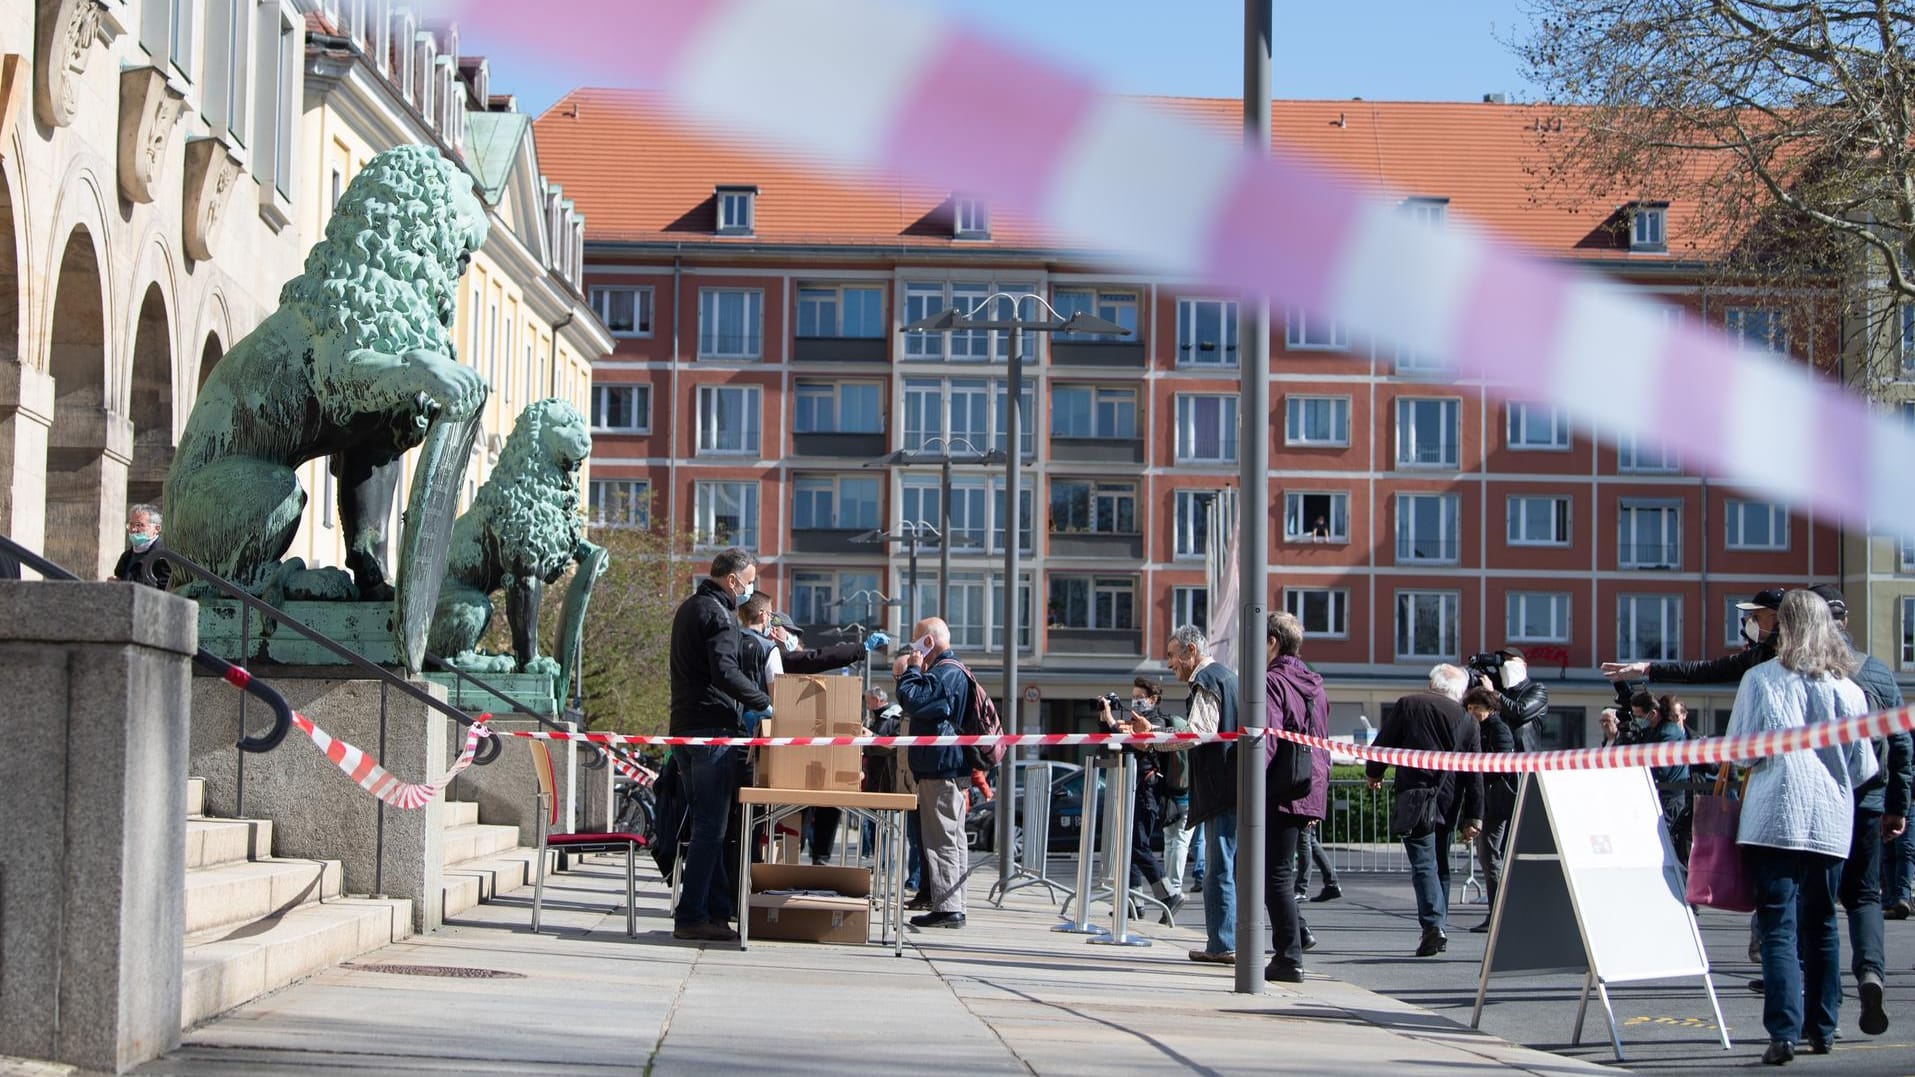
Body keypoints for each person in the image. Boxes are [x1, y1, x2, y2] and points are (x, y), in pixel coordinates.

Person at [1728, 589, 1880, 1065]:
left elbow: (1743, 752)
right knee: (1823, 925)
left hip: (1773, 817)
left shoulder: (1760, 680)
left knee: (1778, 926)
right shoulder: (1850, 690)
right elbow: (1863, 767)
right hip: (1830, 821)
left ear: (1783, 627)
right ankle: (1824, 1027)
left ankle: (1783, 1032)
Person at [1809, 584, 1911, 1038]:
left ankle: (1825, 1004)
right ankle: (1870, 974)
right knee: (1866, 897)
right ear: (1846, 621)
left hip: (1823, 801)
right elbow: (1902, 744)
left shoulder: (1807, 671)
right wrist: (1898, 806)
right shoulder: (1878, 672)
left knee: (1820, 903)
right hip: (1869, 800)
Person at [666, 548, 771, 944]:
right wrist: (763, 703)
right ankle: (693, 914)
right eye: (749, 581)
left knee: (705, 824)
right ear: (731, 580)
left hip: (685, 729)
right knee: (712, 828)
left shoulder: (690, 608)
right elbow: (724, 671)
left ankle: (714, 911)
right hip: (712, 732)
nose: (750, 589)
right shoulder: (720, 615)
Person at [1132, 624, 1240, 965]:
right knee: (1231, 867)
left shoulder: (1206, 681)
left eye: (1171, 655)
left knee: (1219, 869)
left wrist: (1152, 739)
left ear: (1191, 651)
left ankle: (1222, 945)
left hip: (1221, 787)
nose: (1169, 664)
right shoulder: (1228, 678)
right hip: (1235, 783)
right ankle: (1230, 942)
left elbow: (1197, 734)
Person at [1366, 665, 1484, 957]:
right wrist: (1474, 815)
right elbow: (1474, 774)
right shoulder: (1468, 721)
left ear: (1433, 683)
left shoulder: (1410, 704)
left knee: (1423, 863)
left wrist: (1374, 773)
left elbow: (1384, 743)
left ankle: (1433, 926)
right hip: (1448, 798)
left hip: (1415, 795)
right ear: (1459, 691)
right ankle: (1438, 924)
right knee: (1440, 864)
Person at [1263, 611, 1330, 983]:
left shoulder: (1273, 681)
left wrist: (1250, 781)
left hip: (1280, 787)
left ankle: (1289, 956)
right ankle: (1297, 935)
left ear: (1272, 641)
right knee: (1279, 872)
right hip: (1308, 786)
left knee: (1273, 875)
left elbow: (1268, 739)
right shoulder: (1315, 685)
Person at [894, 617, 973, 929]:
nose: (914, 649)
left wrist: (913, 669)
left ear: (928, 641)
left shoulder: (946, 672)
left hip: (941, 767)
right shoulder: (952, 671)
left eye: (917, 642)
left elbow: (914, 700)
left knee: (941, 838)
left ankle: (949, 907)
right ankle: (953, 904)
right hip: (946, 765)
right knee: (952, 837)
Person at [1097, 689, 1184, 922]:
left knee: (1138, 846)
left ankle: (1169, 894)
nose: (1135, 699)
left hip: (1147, 791)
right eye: (1133, 695)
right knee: (1129, 847)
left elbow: (1138, 743)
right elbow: (1117, 742)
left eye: (1140, 695)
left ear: (1153, 699)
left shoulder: (1155, 721)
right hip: (1136, 789)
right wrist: (1109, 721)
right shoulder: (1135, 722)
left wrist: (1113, 721)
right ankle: (1133, 904)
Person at [1604, 587, 1784, 687]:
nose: (1750, 623)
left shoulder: (1800, 660)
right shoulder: (1757, 655)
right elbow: (1704, 670)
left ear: (1777, 618)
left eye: (1757, 617)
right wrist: (1646, 668)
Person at [1461, 685, 1516, 933]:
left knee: (1490, 855)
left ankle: (1498, 914)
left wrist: (1478, 769)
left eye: (1477, 708)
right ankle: (1497, 913)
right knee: (1487, 856)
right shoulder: (1476, 729)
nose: (1472, 712)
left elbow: (1502, 765)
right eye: (1469, 708)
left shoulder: (1498, 730)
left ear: (1490, 708)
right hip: (1485, 800)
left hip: (1495, 802)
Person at [1475, 648, 1547, 751]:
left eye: (1511, 660)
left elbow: (1519, 711)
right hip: (1498, 755)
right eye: (1504, 660)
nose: (1507, 665)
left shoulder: (1537, 689)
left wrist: (1493, 693)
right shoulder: (1500, 689)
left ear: (1524, 666)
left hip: (1523, 758)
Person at [111, 503, 171, 590]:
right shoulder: (126, 557)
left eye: (139, 525)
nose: (133, 529)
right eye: (131, 524)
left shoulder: (164, 556)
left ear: (157, 529)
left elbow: (166, 590)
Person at [1297, 820, 1341, 903]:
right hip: (1307, 810)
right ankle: (1332, 885)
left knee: (1304, 839)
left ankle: (1300, 890)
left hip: (1303, 811)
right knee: (1309, 839)